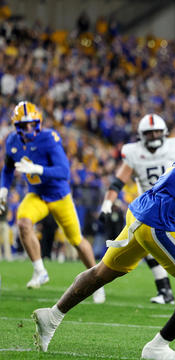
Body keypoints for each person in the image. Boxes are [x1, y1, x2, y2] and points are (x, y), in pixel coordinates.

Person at [31, 93, 175, 360]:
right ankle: (157, 348)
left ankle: (52, 315)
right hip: (158, 221)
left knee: (101, 273)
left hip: (143, 211)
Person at [0, 101, 105, 302]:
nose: (29, 128)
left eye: (32, 124)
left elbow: (64, 171)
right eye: (24, 125)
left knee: (76, 240)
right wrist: (3, 190)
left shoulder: (49, 138)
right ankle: (40, 270)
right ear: (16, 126)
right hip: (37, 195)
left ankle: (96, 281)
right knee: (23, 222)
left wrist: (38, 169)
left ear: (38, 122)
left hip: (59, 196)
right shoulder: (12, 141)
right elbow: (7, 169)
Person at [100, 113, 175, 305]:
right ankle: (166, 291)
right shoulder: (133, 153)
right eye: (149, 133)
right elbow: (117, 183)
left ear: (164, 132)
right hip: (150, 206)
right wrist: (106, 205)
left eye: (157, 131)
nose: (154, 135)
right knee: (147, 246)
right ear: (141, 135)